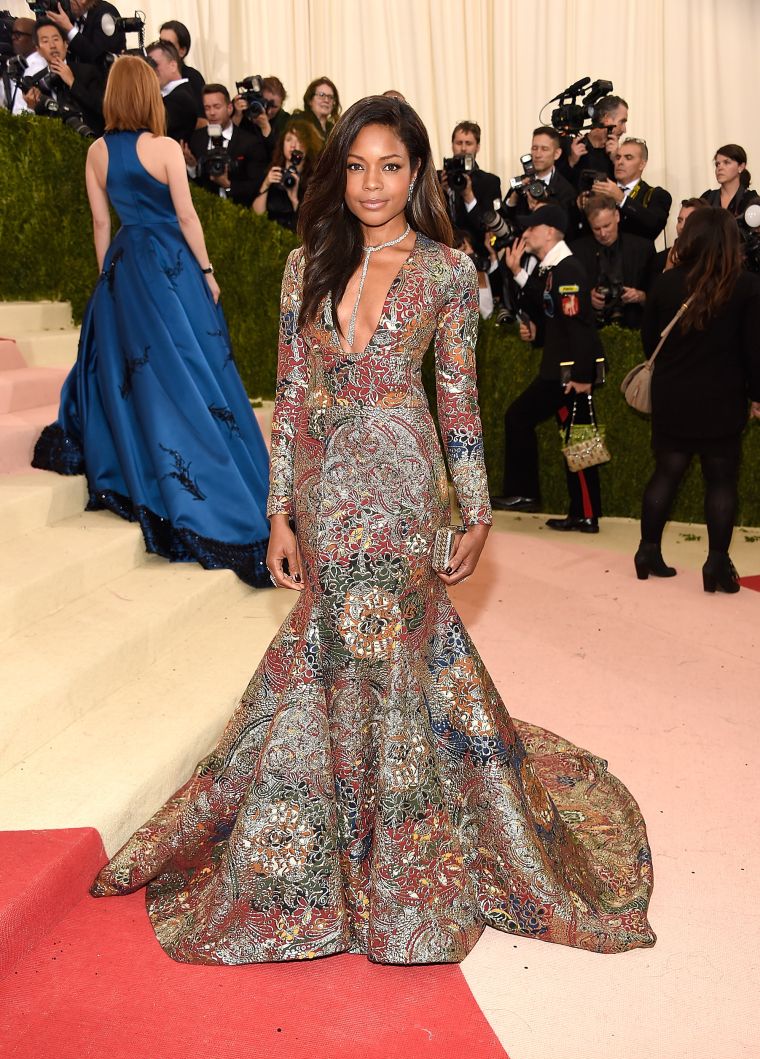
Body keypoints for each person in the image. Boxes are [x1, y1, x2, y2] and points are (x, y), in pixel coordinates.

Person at [91, 96, 655, 966]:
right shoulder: (300, 264)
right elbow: (292, 397)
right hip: (324, 489)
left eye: (390, 166)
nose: (372, 184)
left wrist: (473, 510)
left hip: (399, 484)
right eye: (356, 165)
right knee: (331, 648)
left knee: (389, 646)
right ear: (337, 172)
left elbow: (458, 401)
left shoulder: (445, 273)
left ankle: (400, 872)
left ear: (418, 172)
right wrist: (277, 511)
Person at [32, 55, 271, 588]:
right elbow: (187, 217)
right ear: (149, 98)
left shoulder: (95, 152)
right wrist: (207, 271)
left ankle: (142, 465)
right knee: (192, 372)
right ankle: (215, 481)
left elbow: (101, 222)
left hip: (125, 266)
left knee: (134, 378)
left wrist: (107, 282)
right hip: (171, 267)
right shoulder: (164, 149)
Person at [636, 208, 760, 591]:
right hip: (721, 399)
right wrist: (756, 395)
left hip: (673, 396)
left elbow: (649, 340)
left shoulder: (666, 283)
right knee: (721, 480)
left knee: (666, 473)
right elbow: (754, 351)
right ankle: (717, 565)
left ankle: (647, 552)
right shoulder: (748, 286)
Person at [494, 205, 606, 533]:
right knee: (578, 439)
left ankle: (525, 492)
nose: (525, 233)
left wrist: (583, 377)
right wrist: (537, 331)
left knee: (521, 418)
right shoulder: (555, 268)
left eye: (531, 227)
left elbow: (580, 326)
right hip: (563, 369)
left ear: (550, 232)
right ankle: (583, 513)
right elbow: (552, 314)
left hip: (569, 373)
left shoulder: (568, 269)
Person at [571, 195, 655, 329]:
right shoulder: (576, 251)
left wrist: (641, 296)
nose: (603, 234)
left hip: (635, 329)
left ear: (617, 216)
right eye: (596, 229)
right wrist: (586, 298)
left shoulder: (643, 249)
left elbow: (657, 294)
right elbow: (567, 295)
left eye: (607, 225)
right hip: (591, 331)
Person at [185, 84, 270, 207]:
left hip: (239, 215)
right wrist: (192, 167)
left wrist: (228, 185)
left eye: (217, 107)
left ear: (229, 108)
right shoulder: (196, 139)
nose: (212, 113)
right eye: (207, 108)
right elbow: (193, 184)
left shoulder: (250, 142)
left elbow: (256, 185)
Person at [22, 19, 105, 137]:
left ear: (66, 44)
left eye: (56, 39)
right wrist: (31, 107)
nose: (52, 45)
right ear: (38, 50)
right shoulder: (37, 81)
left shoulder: (88, 72)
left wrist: (72, 82)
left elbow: (102, 109)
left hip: (92, 142)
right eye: (45, 41)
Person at [588, 136, 672, 242]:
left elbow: (654, 224)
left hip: (638, 256)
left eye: (628, 157)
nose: (620, 162)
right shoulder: (602, 189)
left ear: (642, 164)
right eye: (618, 157)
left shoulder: (657, 195)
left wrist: (622, 199)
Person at [252, 119, 320, 230]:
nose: (293, 146)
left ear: (308, 146)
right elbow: (256, 216)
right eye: (288, 140)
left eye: (299, 140)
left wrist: (294, 199)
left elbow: (310, 227)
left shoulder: (314, 180)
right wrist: (266, 184)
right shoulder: (273, 171)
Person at [44, 0, 125, 68]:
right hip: (76, 79)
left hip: (103, 80)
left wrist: (69, 29)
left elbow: (98, 56)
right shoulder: (69, 14)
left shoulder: (106, 12)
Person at [146, 38, 198, 143]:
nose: (152, 71)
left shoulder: (180, 98)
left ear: (173, 65)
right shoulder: (175, 94)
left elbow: (153, 128)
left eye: (155, 64)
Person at [158, 19, 205, 117]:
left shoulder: (193, 77)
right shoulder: (154, 75)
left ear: (182, 51)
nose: (162, 48)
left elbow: (199, 117)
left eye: (168, 45)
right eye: (160, 43)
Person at [651, 197, 709, 275]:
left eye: (689, 221)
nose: (682, 226)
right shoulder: (661, 258)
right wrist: (668, 267)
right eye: (679, 221)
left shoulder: (712, 259)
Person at [700, 144, 760, 217]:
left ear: (741, 167)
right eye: (717, 164)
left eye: (726, 162)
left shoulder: (751, 200)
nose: (720, 168)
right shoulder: (707, 198)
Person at [289, 76, 340, 144]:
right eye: (321, 95)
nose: (326, 100)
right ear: (310, 100)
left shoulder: (333, 129)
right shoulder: (299, 121)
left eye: (330, 97)